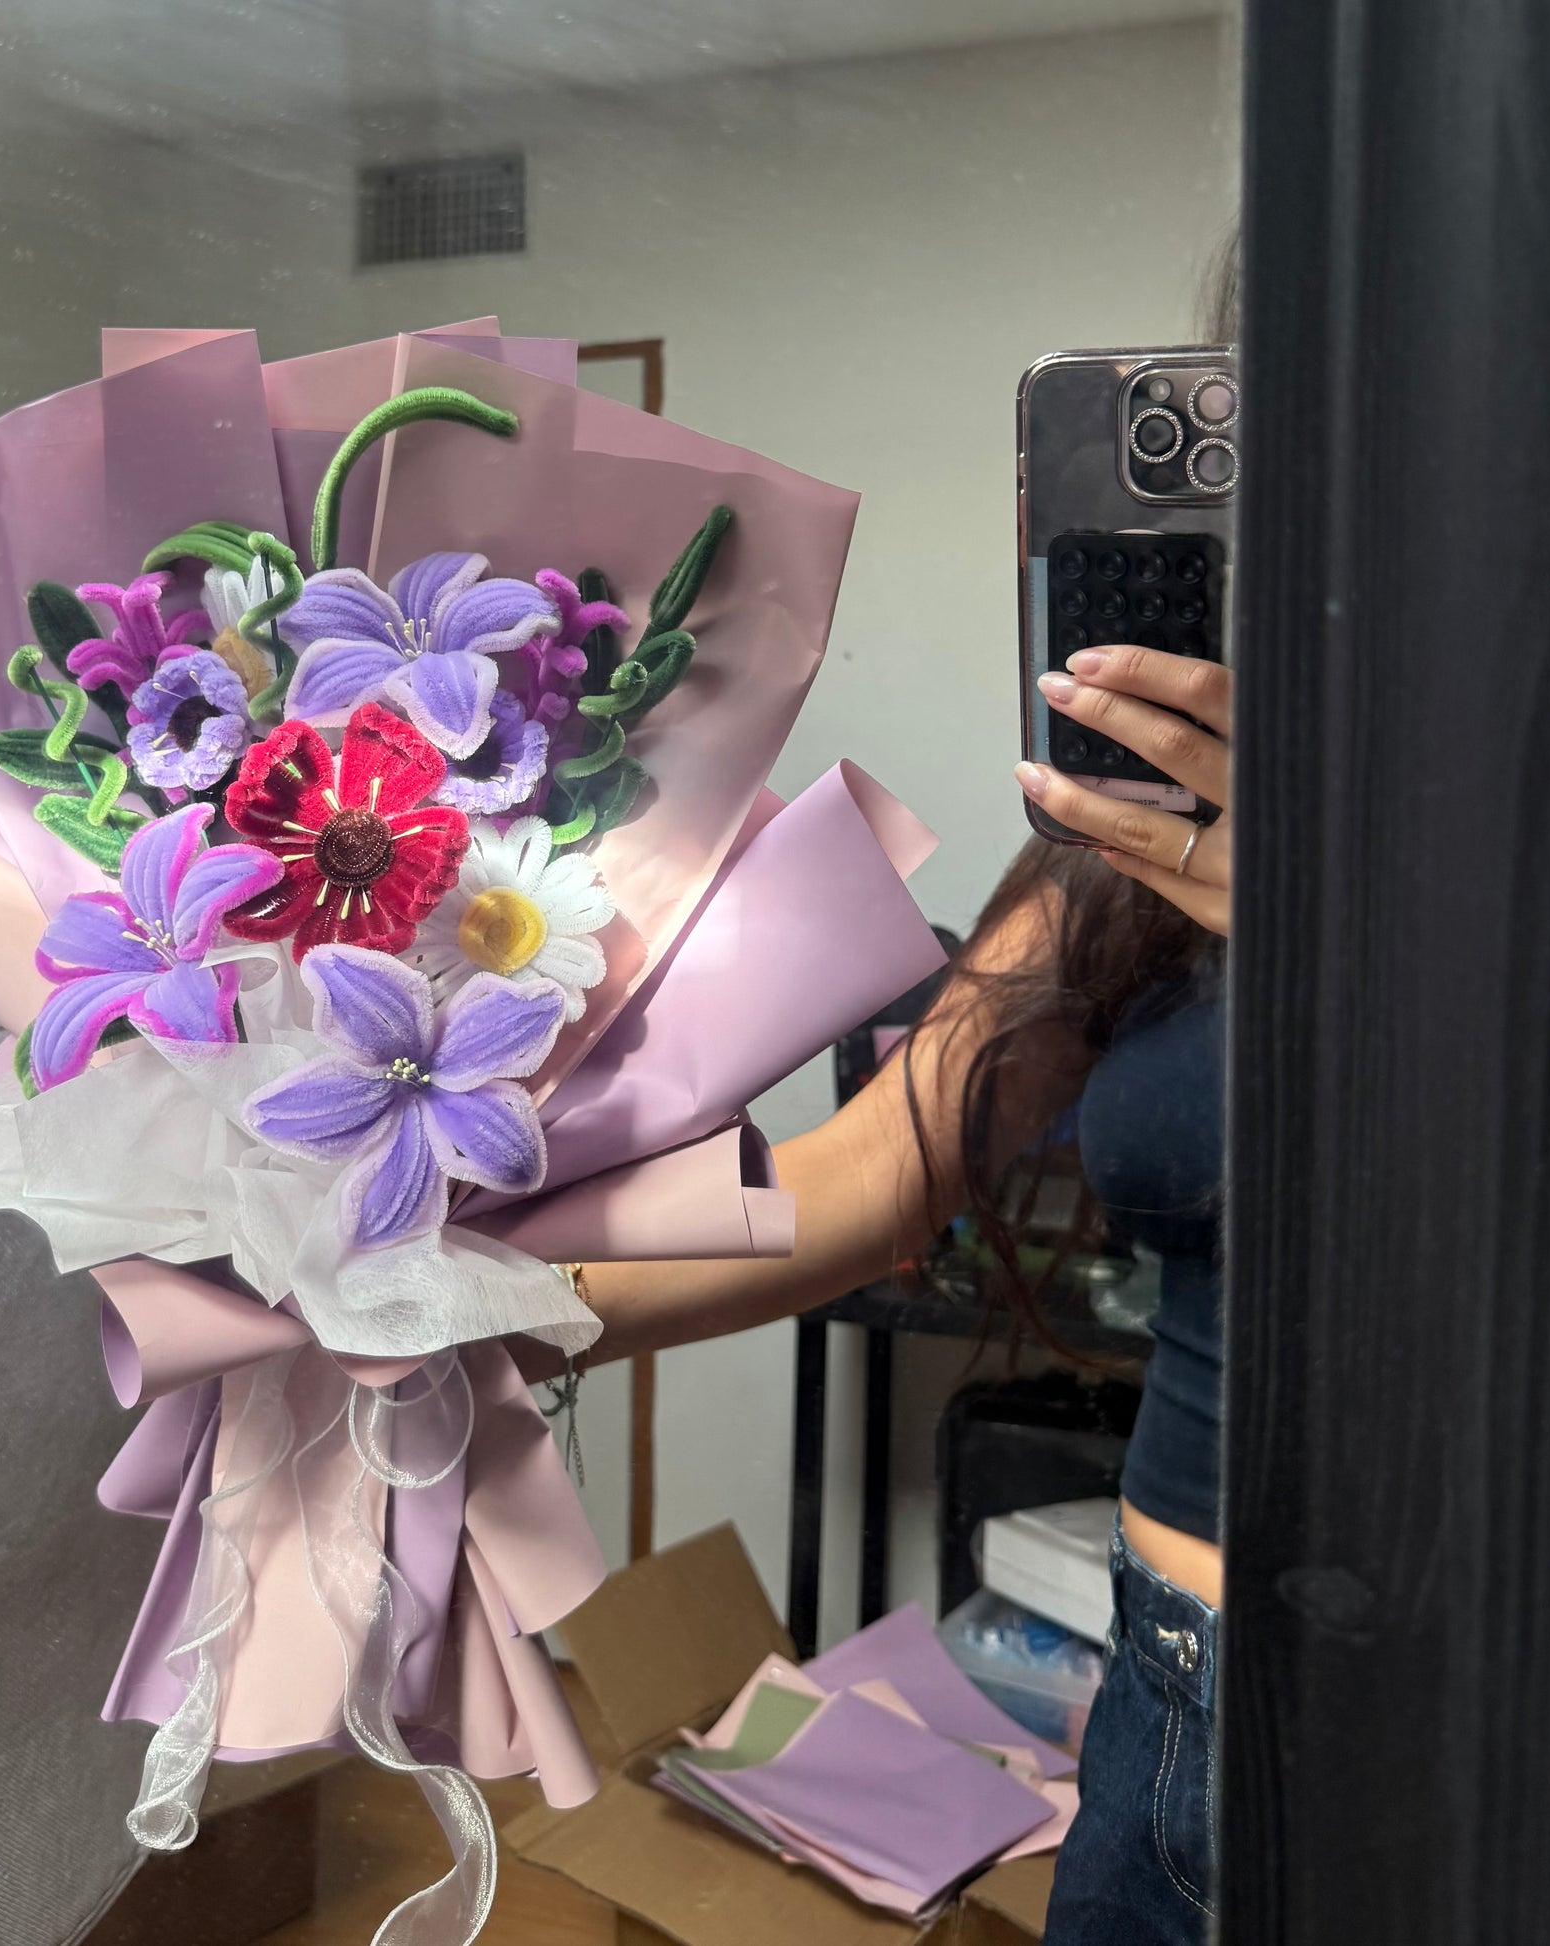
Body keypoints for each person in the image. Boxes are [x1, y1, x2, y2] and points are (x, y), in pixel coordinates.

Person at [529, 254, 1241, 1943]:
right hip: (1170, 1699)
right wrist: (423, 1318)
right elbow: (867, 1175)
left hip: (1475, 1699)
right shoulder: (1133, 836)